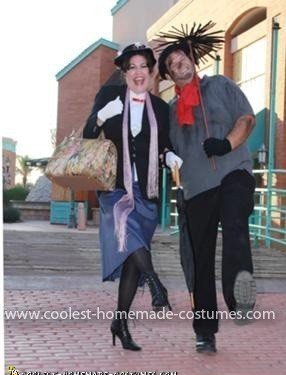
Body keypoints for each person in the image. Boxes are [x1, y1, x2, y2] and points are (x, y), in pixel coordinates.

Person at [157, 21, 256, 353]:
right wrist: (167, 155)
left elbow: (246, 119)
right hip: (196, 188)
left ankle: (239, 295)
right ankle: (205, 330)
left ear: (191, 58)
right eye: (170, 65)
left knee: (235, 223)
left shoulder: (221, 85)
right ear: (169, 76)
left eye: (180, 58)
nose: (177, 64)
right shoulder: (171, 111)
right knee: (200, 260)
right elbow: (164, 145)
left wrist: (226, 145)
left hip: (233, 173)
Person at [83, 43, 182, 351]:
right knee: (132, 237)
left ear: (151, 72)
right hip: (115, 187)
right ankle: (155, 284)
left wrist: (170, 157)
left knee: (132, 262)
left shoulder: (160, 107)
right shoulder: (109, 97)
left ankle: (120, 324)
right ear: (124, 72)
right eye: (132, 67)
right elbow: (88, 134)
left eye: (144, 67)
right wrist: (101, 117)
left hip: (147, 191)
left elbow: (163, 144)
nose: (139, 73)